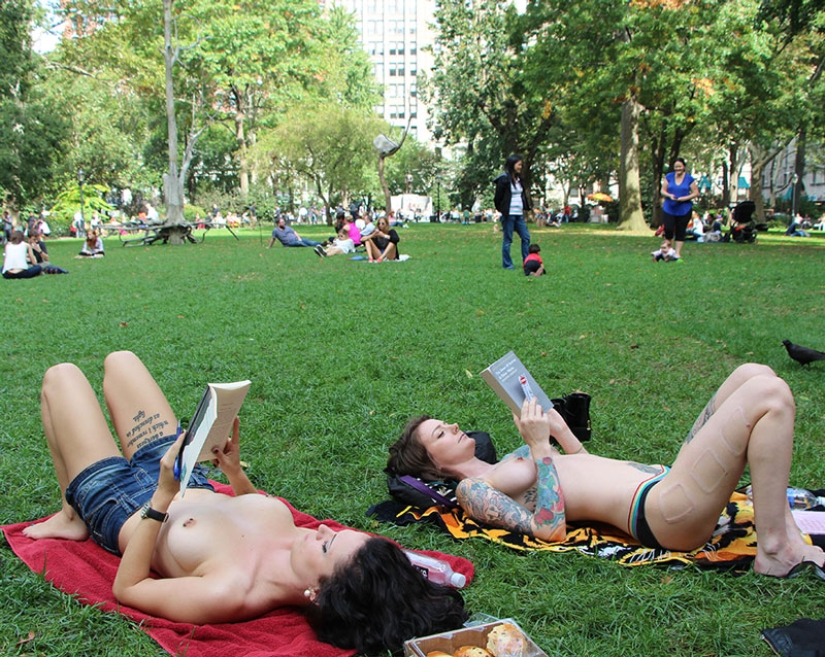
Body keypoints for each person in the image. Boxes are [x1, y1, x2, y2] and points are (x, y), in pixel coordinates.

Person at [23, 351, 468, 654]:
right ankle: (71, 511)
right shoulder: (300, 542)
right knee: (121, 363)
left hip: (122, 503)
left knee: (60, 378)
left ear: (318, 593)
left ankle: (73, 513)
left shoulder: (231, 592)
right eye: (335, 532)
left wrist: (161, 494)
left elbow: (129, 589)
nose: (323, 528)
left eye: (328, 545)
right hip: (186, 473)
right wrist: (234, 472)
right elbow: (252, 515)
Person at [387, 363, 825, 579]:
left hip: (664, 483)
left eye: (446, 422)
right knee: (770, 394)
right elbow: (549, 530)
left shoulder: (506, 461)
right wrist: (540, 446)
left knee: (754, 372)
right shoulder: (474, 492)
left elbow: (585, 468)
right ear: (434, 465)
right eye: (441, 434)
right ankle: (773, 550)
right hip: (664, 512)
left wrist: (559, 433)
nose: (455, 426)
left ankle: (780, 528)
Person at [493, 154, 532, 270]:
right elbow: (497, 198)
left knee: (526, 237)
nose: (521, 167)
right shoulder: (504, 179)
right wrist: (503, 210)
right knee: (508, 239)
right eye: (519, 164)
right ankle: (507, 264)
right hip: (508, 214)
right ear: (512, 164)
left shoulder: (520, 180)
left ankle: (527, 262)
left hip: (518, 214)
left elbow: (522, 195)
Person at [660, 158, 700, 261]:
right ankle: (669, 251)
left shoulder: (689, 179)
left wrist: (684, 198)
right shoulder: (669, 177)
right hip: (669, 208)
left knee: (680, 231)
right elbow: (663, 191)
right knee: (668, 229)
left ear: (684, 167)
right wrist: (669, 195)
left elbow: (695, 192)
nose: (678, 169)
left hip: (684, 209)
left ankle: (677, 254)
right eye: (676, 167)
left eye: (680, 167)